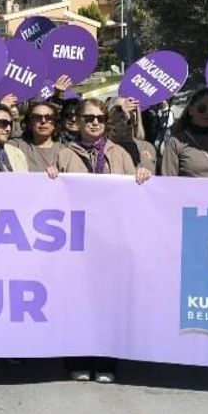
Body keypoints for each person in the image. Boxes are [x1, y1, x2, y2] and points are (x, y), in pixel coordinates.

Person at [55, 97, 152, 383]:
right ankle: (78, 359)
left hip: (111, 240)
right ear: (77, 122)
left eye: (99, 118)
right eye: (88, 118)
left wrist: (142, 174)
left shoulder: (119, 153)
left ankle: (106, 361)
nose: (94, 122)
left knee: (109, 302)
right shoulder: (64, 154)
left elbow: (137, 190)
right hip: (77, 240)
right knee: (78, 301)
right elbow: (52, 194)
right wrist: (51, 176)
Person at [106, 96, 158, 174]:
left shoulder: (147, 147)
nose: (128, 113)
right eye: (120, 109)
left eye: (133, 109)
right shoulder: (106, 147)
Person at [19, 101, 61, 171]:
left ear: (55, 123)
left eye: (48, 117)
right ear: (29, 122)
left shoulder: (65, 151)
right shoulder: (17, 147)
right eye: (37, 117)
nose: (43, 121)